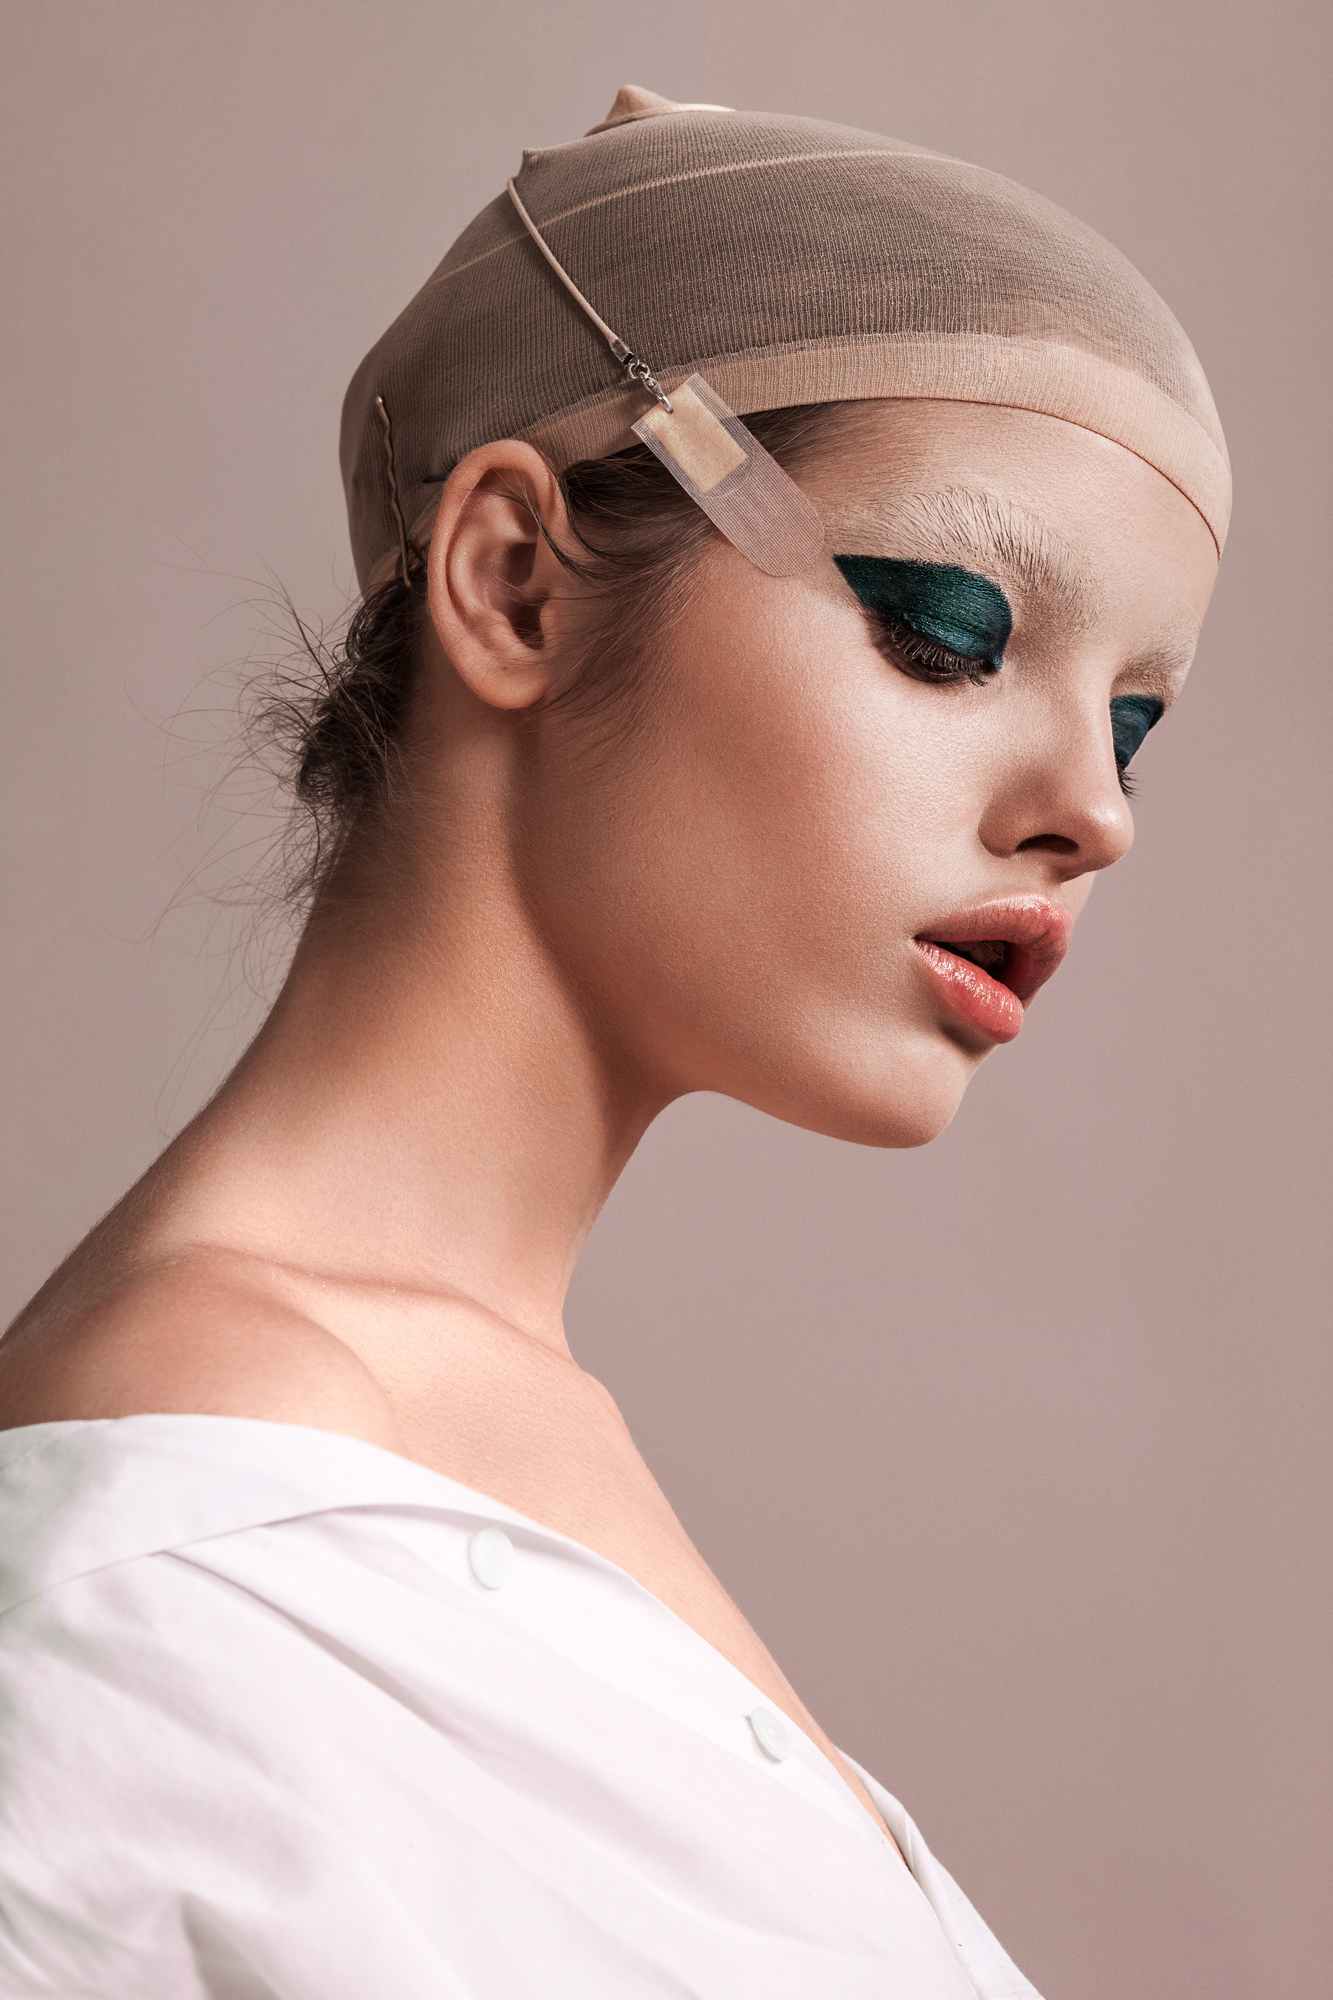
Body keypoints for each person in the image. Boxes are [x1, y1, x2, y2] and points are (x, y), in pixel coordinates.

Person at [0, 86, 1226, 1999]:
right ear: (515, 579)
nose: (1095, 811)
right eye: (947, 631)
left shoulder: (492, 1425)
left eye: (1133, 726)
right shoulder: (166, 1551)